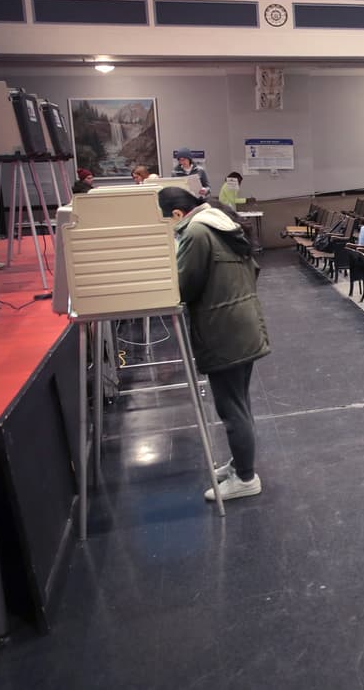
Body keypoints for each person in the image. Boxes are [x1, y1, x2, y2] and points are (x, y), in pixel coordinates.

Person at [157, 186, 270, 502]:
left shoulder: (196, 232)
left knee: (231, 408)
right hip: (243, 322)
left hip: (223, 329)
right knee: (240, 402)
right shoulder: (221, 222)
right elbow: (254, 268)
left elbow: (183, 286)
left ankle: (246, 478)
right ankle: (240, 463)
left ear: (177, 215)